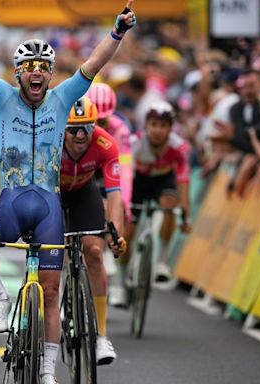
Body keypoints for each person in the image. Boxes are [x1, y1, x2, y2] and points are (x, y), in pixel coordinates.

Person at [0, 2, 135, 382]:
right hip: (11, 201)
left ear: (50, 74)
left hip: (48, 207)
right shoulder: (2, 96)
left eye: (44, 68)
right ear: (19, 73)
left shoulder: (62, 99)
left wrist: (118, 32)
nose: (38, 73)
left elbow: (94, 63)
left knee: (50, 293)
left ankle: (47, 370)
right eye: (31, 68)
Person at [60, 96, 126, 365]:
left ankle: (100, 337)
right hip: (53, 192)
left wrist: (116, 233)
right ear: (62, 128)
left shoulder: (105, 143)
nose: (79, 135)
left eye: (86, 127)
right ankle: (58, 304)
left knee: (95, 253)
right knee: (54, 251)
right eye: (73, 128)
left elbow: (115, 196)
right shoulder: (49, 141)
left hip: (84, 193)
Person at [110, 100, 192, 306]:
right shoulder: (135, 142)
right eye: (154, 125)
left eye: (163, 126)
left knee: (169, 204)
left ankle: (162, 261)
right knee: (127, 234)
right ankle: (121, 283)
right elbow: (125, 176)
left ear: (170, 129)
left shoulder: (178, 147)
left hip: (162, 182)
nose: (157, 130)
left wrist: (185, 213)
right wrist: (124, 204)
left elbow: (183, 181)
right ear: (146, 126)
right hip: (137, 183)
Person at [85, 82, 133, 218]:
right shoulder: (71, 122)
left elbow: (125, 168)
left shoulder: (121, 131)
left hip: (103, 169)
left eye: (102, 122)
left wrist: (125, 201)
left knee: (109, 210)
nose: (97, 128)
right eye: (93, 121)